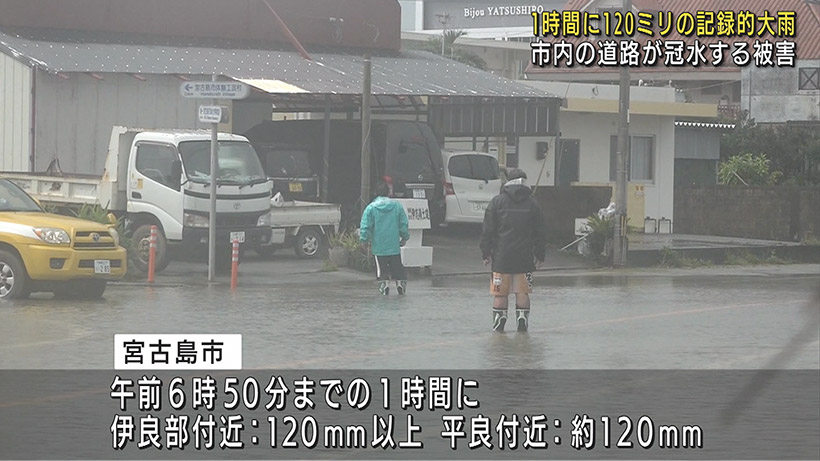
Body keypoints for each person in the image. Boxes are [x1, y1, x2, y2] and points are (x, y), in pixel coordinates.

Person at [480, 168, 547, 332]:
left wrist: (486, 252)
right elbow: (541, 232)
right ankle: (522, 322)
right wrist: (540, 255)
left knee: (500, 294)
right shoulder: (533, 204)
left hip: (501, 258)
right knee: (522, 292)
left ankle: (499, 325)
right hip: (525, 258)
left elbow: (488, 230)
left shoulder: (496, 202)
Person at [360, 182, 410, 295]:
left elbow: (365, 226)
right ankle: (400, 283)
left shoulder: (371, 208)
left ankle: (384, 285)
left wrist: (364, 240)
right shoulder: (397, 206)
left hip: (379, 246)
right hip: (394, 245)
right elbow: (403, 223)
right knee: (397, 266)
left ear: (376, 193)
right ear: (388, 192)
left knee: (381, 268)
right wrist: (405, 237)